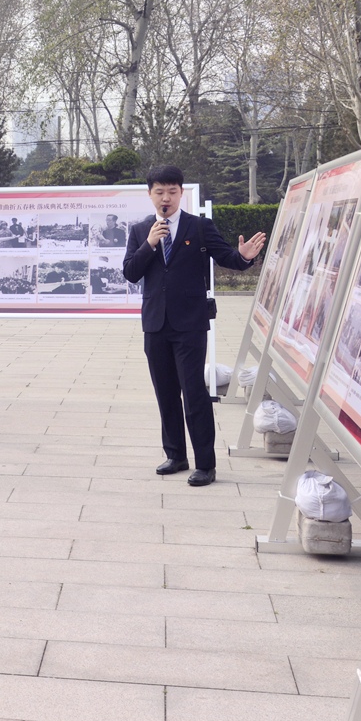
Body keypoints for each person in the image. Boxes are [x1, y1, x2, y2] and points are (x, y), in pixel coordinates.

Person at [121, 164, 266, 487]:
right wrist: (150, 244)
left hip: (190, 324)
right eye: (160, 192)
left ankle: (205, 464)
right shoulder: (141, 230)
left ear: (181, 193)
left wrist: (243, 257)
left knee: (194, 392)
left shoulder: (199, 226)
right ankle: (175, 455)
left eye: (172, 191)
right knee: (165, 393)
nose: (166, 198)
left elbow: (227, 257)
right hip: (155, 324)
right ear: (150, 194)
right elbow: (130, 272)